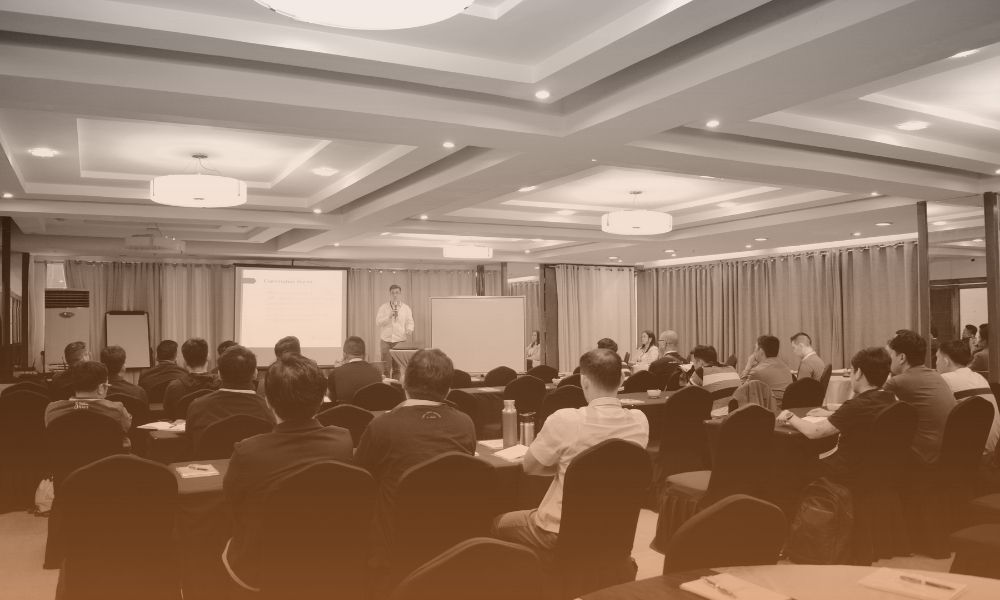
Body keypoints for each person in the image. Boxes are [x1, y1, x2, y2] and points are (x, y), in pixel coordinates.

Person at [491, 348, 649, 554]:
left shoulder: (566, 420)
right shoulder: (639, 421)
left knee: (497, 523)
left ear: (583, 381)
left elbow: (529, 467)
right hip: (614, 528)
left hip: (558, 529)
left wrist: (565, 468)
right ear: (621, 379)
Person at [222, 353, 353, 593]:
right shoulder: (343, 441)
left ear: (268, 401)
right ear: (322, 399)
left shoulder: (248, 452)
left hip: (260, 570)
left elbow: (232, 505)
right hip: (328, 560)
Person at [354, 348, 475, 566]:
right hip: (452, 540)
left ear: (403, 382)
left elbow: (361, 480)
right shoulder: (465, 424)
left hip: (393, 544)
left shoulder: (382, 426)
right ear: (448, 389)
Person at [778, 347, 896, 481]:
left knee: (796, 461)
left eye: (852, 371)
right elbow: (863, 415)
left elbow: (815, 431)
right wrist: (831, 413)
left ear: (858, 373)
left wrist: (789, 415)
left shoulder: (856, 406)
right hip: (874, 467)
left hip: (846, 469)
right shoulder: (889, 398)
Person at [884, 329, 955, 464]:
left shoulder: (898, 382)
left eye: (891, 355)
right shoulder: (936, 376)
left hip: (922, 455)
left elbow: (871, 407)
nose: (889, 360)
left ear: (902, 358)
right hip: (944, 451)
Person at [186, 345, 275, 450]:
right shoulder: (269, 410)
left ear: (219, 374)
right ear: (255, 374)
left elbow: (190, 442)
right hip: (256, 465)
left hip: (208, 464)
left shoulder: (197, 406)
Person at [936, 339, 999, 459]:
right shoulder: (979, 377)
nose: (936, 363)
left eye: (937, 358)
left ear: (946, 361)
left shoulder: (944, 379)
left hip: (968, 453)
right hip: (992, 450)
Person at [44, 361, 131, 434]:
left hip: (67, 454)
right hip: (106, 454)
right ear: (101, 388)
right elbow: (126, 428)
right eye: (107, 385)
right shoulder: (117, 410)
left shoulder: (52, 410)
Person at [163, 338, 220, 419]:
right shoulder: (221, 384)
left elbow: (169, 414)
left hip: (184, 430)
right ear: (208, 358)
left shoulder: (174, 387)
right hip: (214, 429)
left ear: (185, 362)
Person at [328, 336, 382, 404]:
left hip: (345, 413)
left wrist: (337, 370)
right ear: (365, 354)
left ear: (344, 355)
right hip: (370, 414)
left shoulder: (336, 373)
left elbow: (332, 399)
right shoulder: (377, 371)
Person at [375, 285, 414, 379]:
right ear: (390, 294)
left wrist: (409, 329)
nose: (395, 295)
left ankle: (395, 388)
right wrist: (388, 316)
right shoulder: (383, 307)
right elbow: (378, 322)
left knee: (397, 368)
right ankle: (387, 389)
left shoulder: (406, 308)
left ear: (400, 294)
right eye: (393, 293)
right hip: (386, 341)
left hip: (399, 341)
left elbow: (410, 321)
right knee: (386, 368)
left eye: (397, 292)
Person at [740, 335, 793, 400]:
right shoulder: (785, 367)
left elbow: (741, 391)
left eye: (755, 348)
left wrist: (748, 366)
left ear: (761, 351)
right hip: (785, 407)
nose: (754, 352)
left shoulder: (757, 371)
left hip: (769, 408)